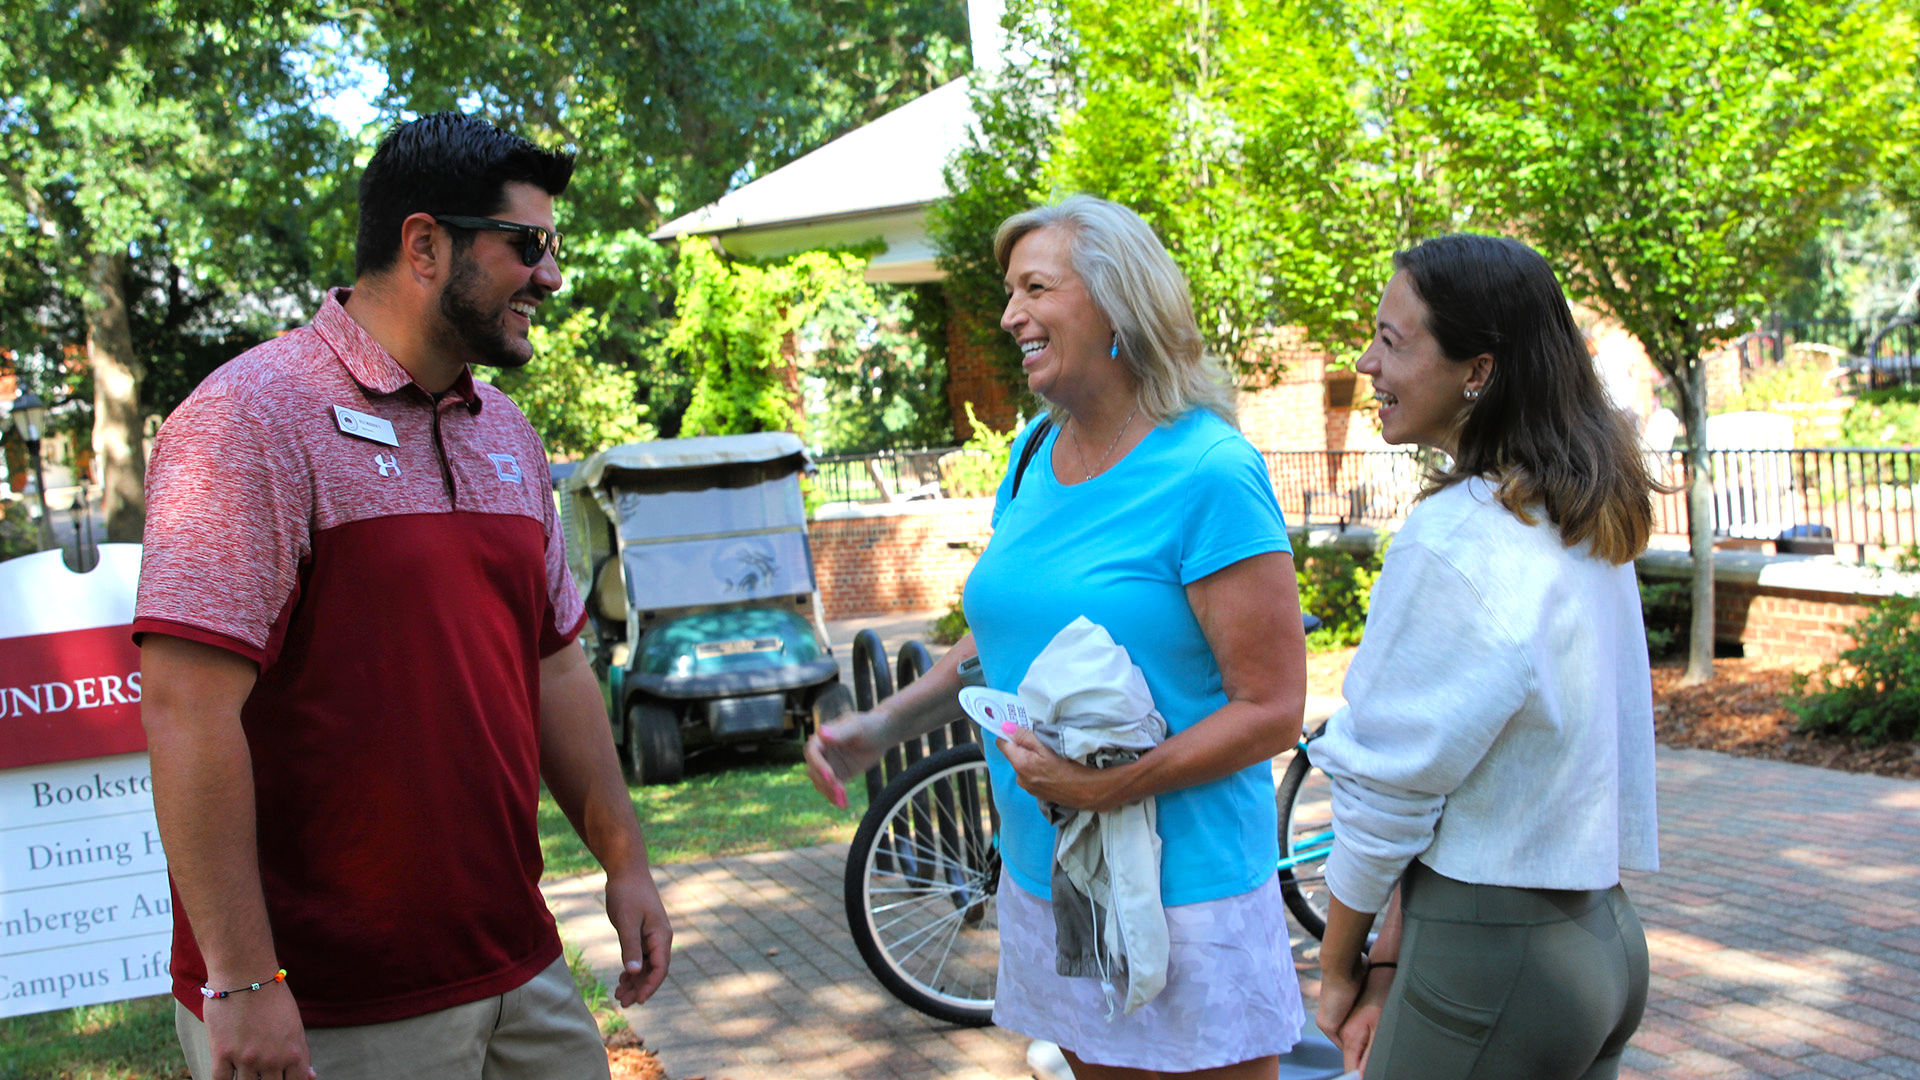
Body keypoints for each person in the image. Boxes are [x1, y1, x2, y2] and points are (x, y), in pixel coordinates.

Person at [135, 113, 671, 1080]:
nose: (550, 275)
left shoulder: (506, 432)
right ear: (425, 244)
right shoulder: (246, 420)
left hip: (521, 966)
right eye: (528, 245)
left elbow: (554, 668)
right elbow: (186, 713)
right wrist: (246, 981)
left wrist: (625, 860)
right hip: (330, 1008)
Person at [806, 195, 1310, 1079]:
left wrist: (1106, 788)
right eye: (1009, 293)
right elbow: (1005, 640)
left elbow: (1272, 711)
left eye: (1035, 288)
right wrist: (879, 728)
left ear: (1119, 304)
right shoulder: (1034, 450)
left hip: (1184, 891)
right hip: (1058, 877)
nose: (1009, 317)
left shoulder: (1210, 470)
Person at [1309, 234, 1660, 1079]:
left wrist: (1336, 966)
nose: (1366, 362)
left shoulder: (1458, 536)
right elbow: (1466, 778)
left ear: (1478, 370)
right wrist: (1394, 959)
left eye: (1392, 341)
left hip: (1493, 962)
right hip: (1598, 938)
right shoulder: (1577, 508)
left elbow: (1391, 789)